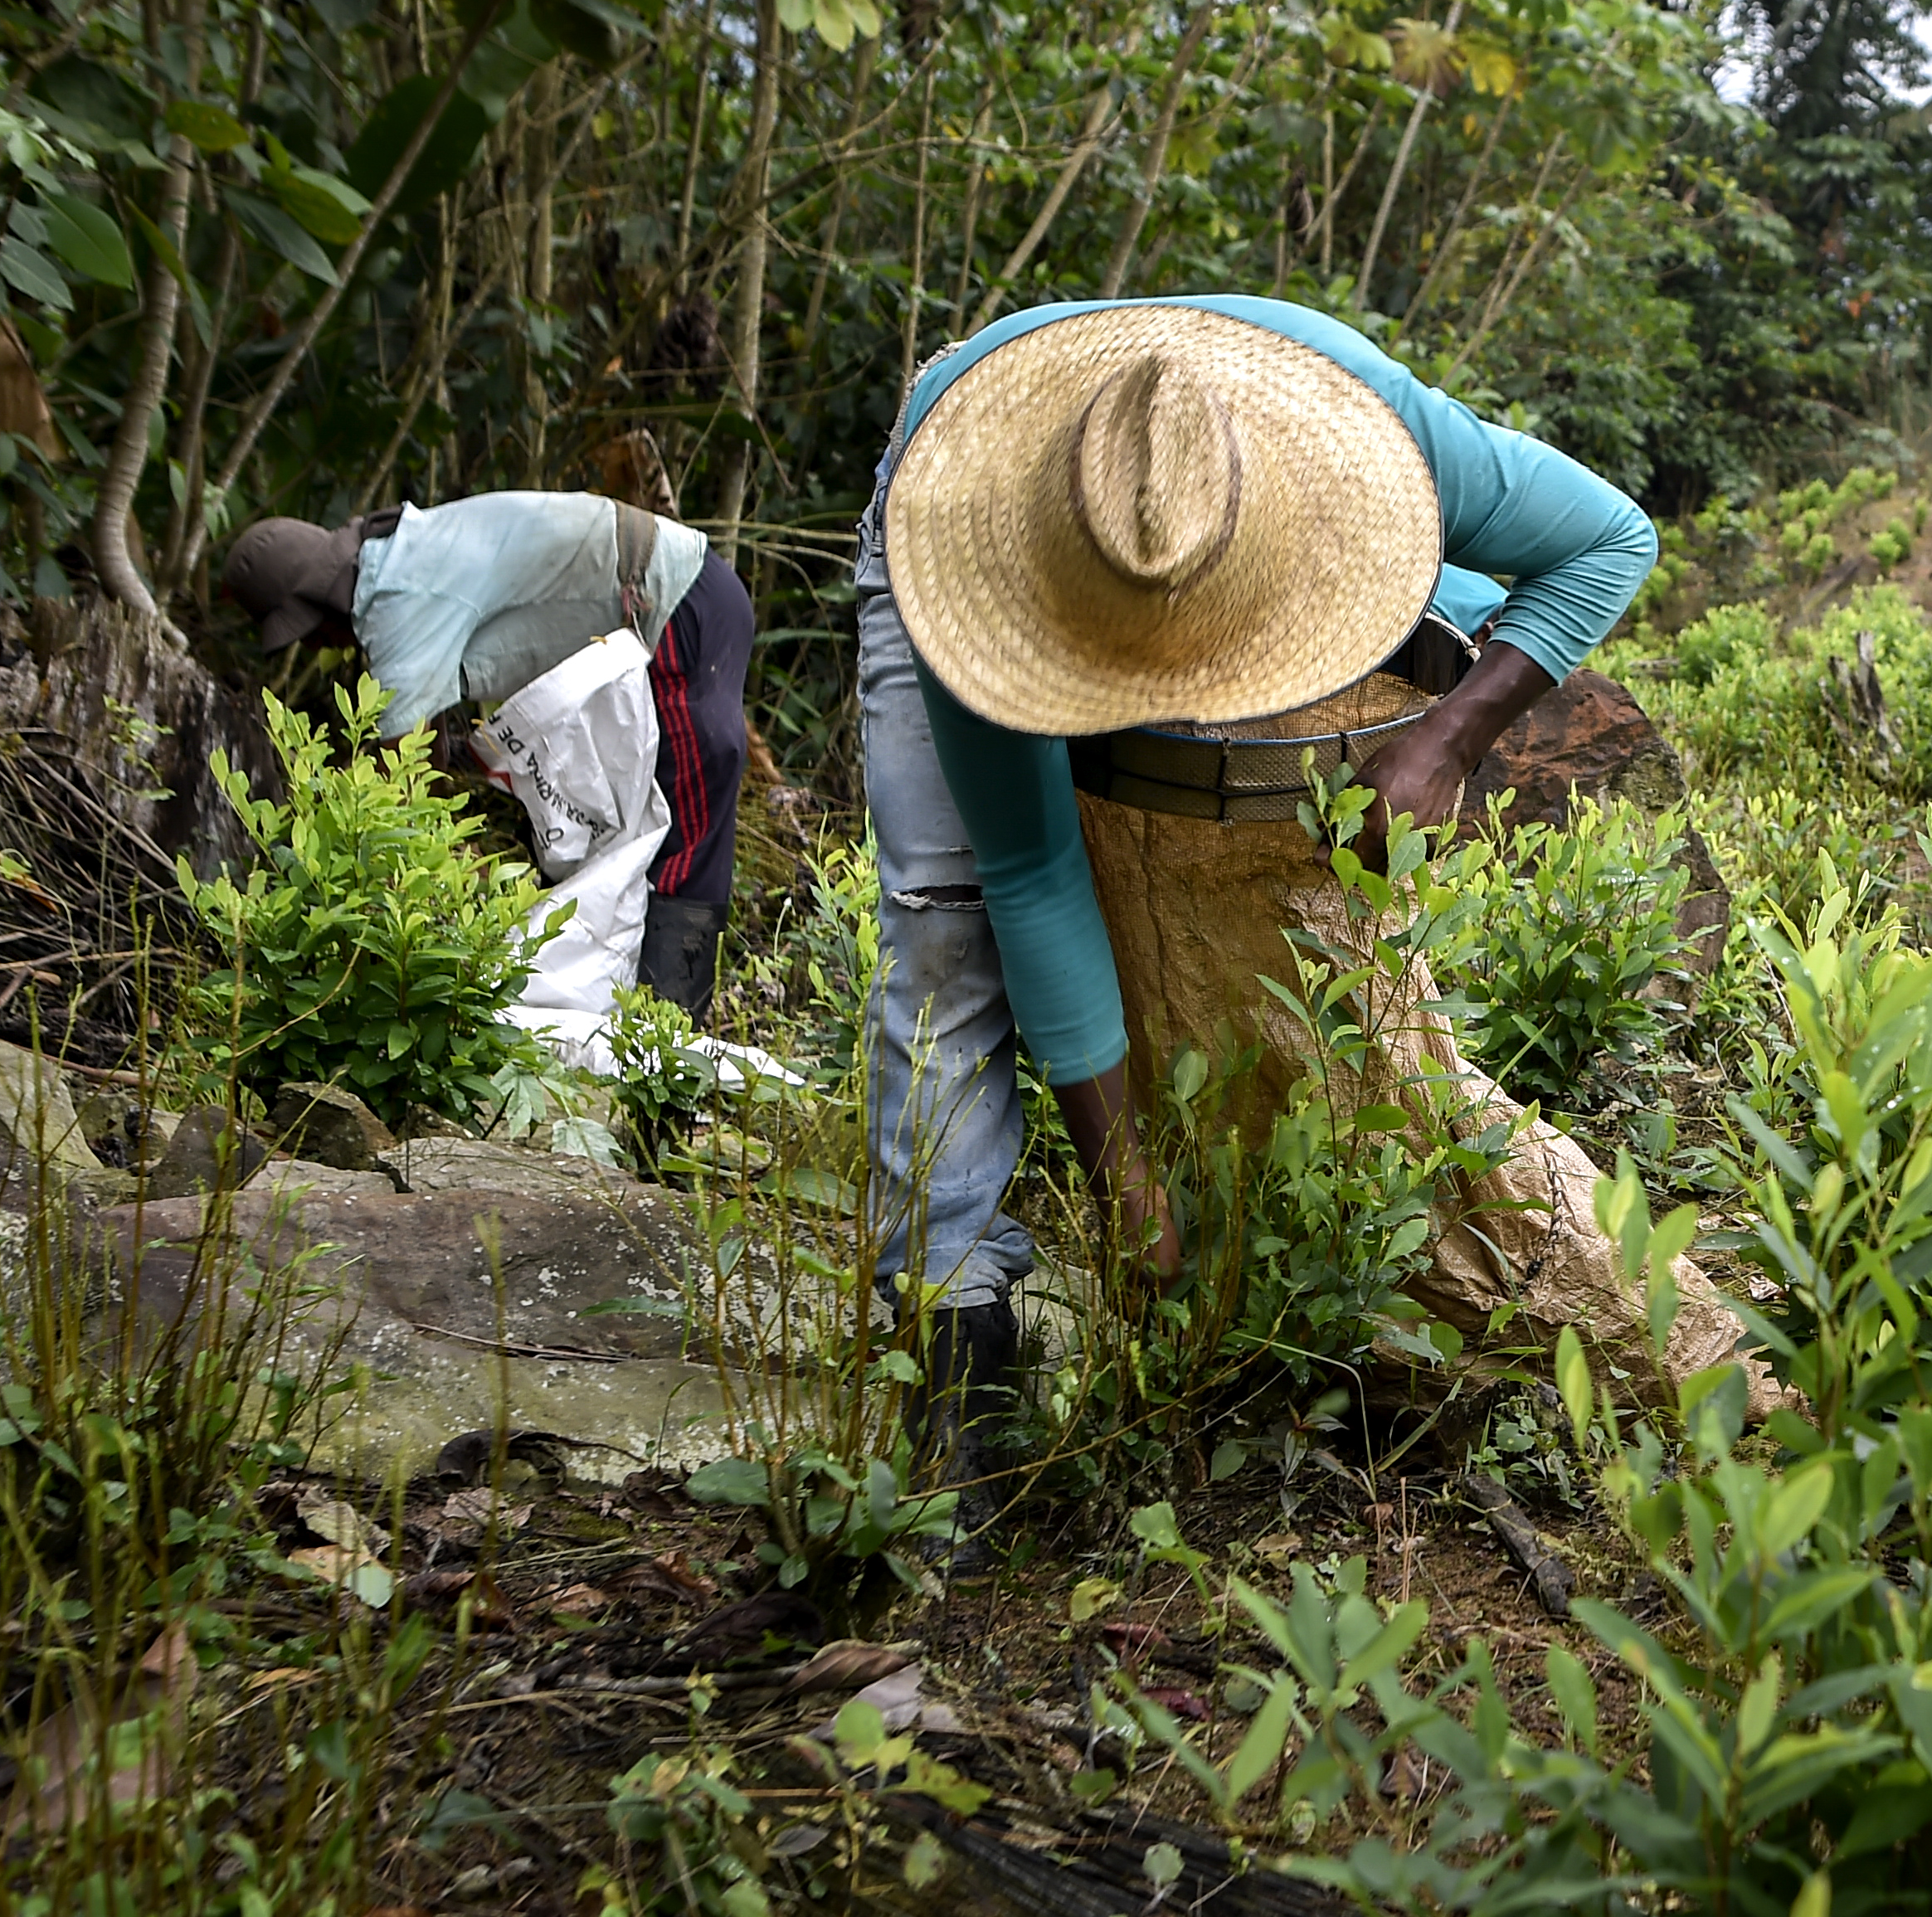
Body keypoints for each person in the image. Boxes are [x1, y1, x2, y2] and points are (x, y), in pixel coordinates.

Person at [854, 294, 1741, 1519]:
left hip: (1280, 486)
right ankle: (950, 1325)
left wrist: (1449, 738)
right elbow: (1030, 870)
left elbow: (1608, 541)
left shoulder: (1380, 435)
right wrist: (1122, 1181)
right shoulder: (964, 553)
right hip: (963, 496)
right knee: (943, 924)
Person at [219, 493, 752, 1018]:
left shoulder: (399, 596)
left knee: (689, 828)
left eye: (305, 635)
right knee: (633, 833)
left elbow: (396, 786)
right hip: (661, 616)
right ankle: (621, 1017)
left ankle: (668, 1037)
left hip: (680, 602)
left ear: (314, 603)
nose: (313, 648)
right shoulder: (400, 554)